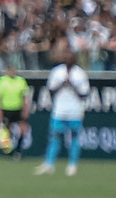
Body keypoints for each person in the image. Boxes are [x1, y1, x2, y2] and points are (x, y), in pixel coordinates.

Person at [37, 47, 90, 176]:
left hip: (75, 111)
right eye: (66, 56)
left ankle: (72, 164)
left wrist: (73, 85)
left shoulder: (80, 73)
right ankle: (49, 164)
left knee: (74, 138)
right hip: (59, 110)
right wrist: (62, 84)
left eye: (70, 56)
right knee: (54, 137)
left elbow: (84, 94)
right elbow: (50, 90)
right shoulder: (57, 72)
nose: (68, 59)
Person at [0, 64, 31, 158]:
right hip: (6, 109)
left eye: (13, 70)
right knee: (7, 130)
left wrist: (26, 109)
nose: (11, 72)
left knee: (22, 129)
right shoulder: (2, 81)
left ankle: (18, 149)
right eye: (9, 70)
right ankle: (10, 150)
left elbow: (25, 97)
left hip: (18, 109)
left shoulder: (21, 81)